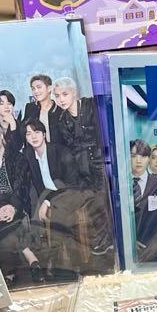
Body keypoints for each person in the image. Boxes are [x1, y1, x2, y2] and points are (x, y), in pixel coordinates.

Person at [49, 77, 116, 269]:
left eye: (65, 94)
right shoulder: (61, 120)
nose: (61, 99)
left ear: (74, 93)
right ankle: (104, 241)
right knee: (92, 203)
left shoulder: (91, 106)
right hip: (83, 169)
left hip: (103, 163)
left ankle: (112, 239)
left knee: (106, 201)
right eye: (57, 96)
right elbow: (70, 149)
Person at [0, 120, 44, 285]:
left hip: (16, 201)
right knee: (1, 221)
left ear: (1, 135)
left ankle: (9, 271)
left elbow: (22, 186)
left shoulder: (17, 158)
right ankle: (31, 258)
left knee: (7, 221)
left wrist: (13, 206)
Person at [21, 119, 95, 279]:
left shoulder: (61, 152)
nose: (33, 137)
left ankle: (62, 262)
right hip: (48, 194)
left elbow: (71, 183)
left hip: (73, 192)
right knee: (40, 217)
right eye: (29, 134)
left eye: (37, 132)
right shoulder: (29, 155)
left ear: (44, 134)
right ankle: (54, 260)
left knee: (56, 213)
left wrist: (47, 201)